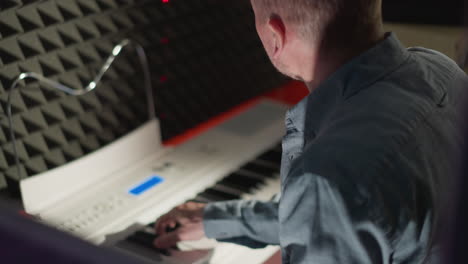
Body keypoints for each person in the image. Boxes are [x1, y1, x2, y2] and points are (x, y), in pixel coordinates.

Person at [153, 0, 468, 263]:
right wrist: (218, 220)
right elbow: (350, 213)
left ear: (276, 36)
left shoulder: (329, 177)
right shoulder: (441, 70)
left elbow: (338, 197)